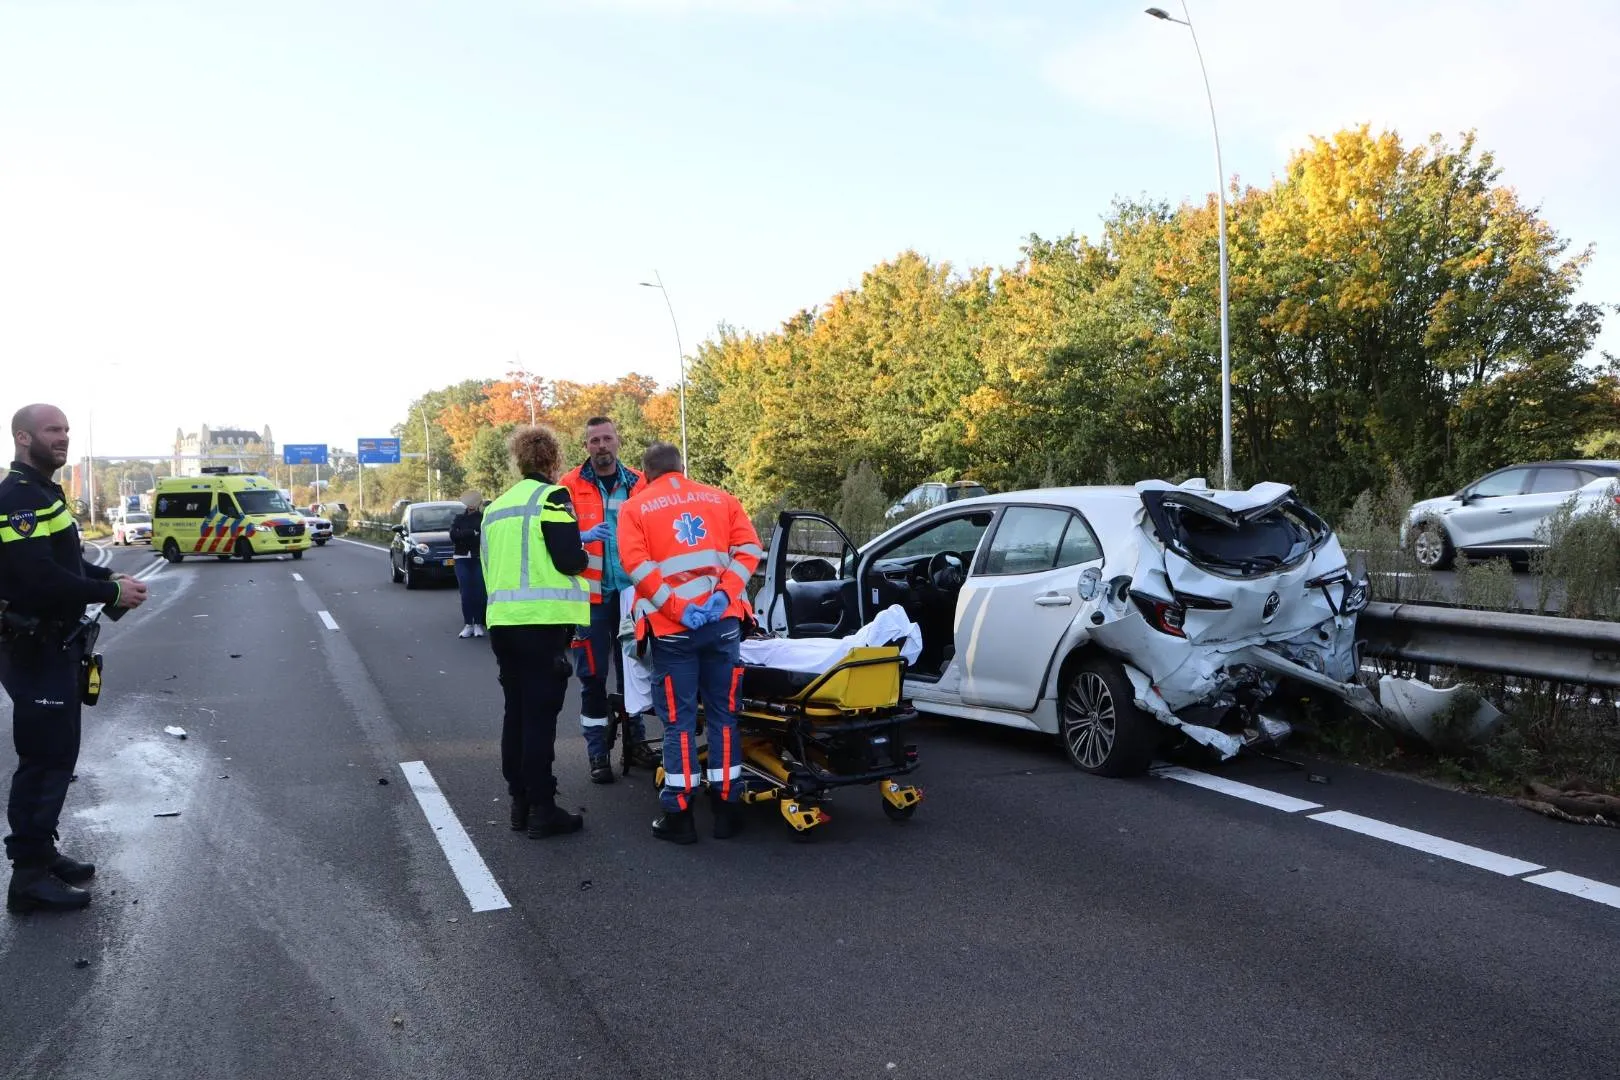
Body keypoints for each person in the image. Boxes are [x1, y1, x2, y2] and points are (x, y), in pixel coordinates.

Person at [1, 404, 148, 913]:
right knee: (43, 758)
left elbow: (66, 562)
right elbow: (37, 579)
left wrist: (109, 579)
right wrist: (109, 593)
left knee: (59, 754)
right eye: (52, 430)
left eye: (65, 429)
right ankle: (27, 878)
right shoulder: (17, 498)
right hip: (32, 648)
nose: (63, 437)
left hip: (56, 645)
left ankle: (41, 852)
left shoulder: (44, 492)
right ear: (23, 437)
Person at [617, 442, 763, 844]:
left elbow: (637, 567)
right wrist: (724, 593)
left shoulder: (635, 508)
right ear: (682, 468)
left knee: (679, 723)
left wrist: (678, 608)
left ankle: (679, 815)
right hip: (722, 624)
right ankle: (727, 809)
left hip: (673, 630)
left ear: (646, 474)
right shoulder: (721, 498)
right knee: (724, 716)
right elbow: (750, 549)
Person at [480, 425, 591, 839]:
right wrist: (584, 555)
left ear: (518, 460)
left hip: (503, 624)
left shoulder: (496, 508)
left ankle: (519, 803)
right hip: (541, 625)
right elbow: (568, 559)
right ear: (554, 459)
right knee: (540, 718)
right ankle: (543, 808)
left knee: (516, 712)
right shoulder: (553, 497)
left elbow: (489, 566)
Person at [561, 416, 657, 782]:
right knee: (592, 677)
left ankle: (636, 743)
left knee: (634, 673)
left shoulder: (638, 482)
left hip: (633, 595)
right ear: (586, 446)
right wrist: (583, 536)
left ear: (618, 441)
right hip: (591, 599)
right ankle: (597, 752)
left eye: (607, 438)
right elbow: (556, 538)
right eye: (594, 440)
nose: (601, 445)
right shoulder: (569, 485)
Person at [449, 490, 486, 639]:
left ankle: (478, 624)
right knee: (465, 592)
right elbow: (453, 536)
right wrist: (471, 533)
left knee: (479, 592)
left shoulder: (483, 518)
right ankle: (468, 624)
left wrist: (463, 534)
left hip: (478, 558)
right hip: (461, 558)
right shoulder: (459, 518)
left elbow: (482, 536)